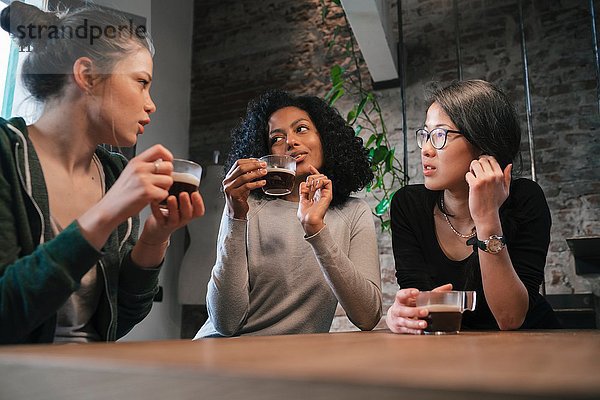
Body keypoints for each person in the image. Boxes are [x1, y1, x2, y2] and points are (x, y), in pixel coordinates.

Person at [0, 2, 205, 344]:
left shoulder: (113, 172)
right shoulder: (7, 155)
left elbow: (117, 321)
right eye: (141, 82)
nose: (151, 103)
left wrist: (155, 238)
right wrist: (105, 214)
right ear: (88, 76)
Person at [194, 90, 382, 338]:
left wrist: (316, 230)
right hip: (225, 352)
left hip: (292, 361)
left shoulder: (353, 212)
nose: (290, 141)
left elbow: (367, 316)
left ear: (325, 138)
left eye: (301, 129)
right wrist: (235, 216)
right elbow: (225, 322)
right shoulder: (244, 205)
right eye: (276, 138)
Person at [386, 80, 560, 334]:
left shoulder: (524, 199)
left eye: (440, 136)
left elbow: (510, 318)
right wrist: (401, 314)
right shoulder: (409, 205)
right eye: (425, 135)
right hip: (454, 353)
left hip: (531, 349)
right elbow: (421, 303)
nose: (425, 150)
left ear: (483, 144)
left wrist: (487, 217)